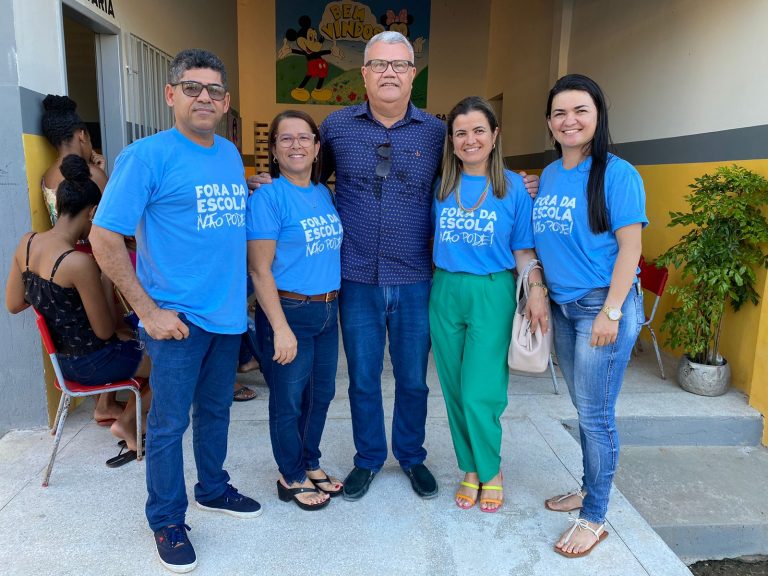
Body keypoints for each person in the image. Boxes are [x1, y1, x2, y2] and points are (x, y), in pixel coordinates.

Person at [249, 31, 539, 502]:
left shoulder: (436, 133)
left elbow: (470, 170)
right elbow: (307, 179)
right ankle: (367, 458)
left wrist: (518, 181)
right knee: (362, 379)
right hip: (356, 276)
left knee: (413, 380)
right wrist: (267, 182)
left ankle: (410, 455)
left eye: (399, 65)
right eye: (380, 64)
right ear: (364, 74)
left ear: (412, 75)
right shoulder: (337, 127)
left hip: (416, 277)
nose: (389, 72)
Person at [89, 49, 261, 574]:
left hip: (227, 317)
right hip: (177, 322)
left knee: (216, 411)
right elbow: (103, 238)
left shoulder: (229, 154)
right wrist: (148, 312)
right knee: (167, 425)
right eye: (192, 88)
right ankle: (166, 519)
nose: (204, 97)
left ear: (226, 102)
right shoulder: (146, 156)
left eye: (214, 90)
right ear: (171, 94)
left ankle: (213, 487)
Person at [533, 74, 646, 558]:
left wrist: (612, 312)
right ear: (549, 123)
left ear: (598, 115)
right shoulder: (550, 174)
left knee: (597, 415)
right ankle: (587, 488)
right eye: (559, 113)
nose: (569, 120)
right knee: (584, 408)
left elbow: (630, 249)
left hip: (602, 306)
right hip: (564, 307)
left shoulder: (619, 174)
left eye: (580, 110)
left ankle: (595, 516)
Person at [430, 96, 549, 512]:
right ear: (451, 140)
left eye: (479, 130)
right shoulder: (440, 186)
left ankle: (491, 469)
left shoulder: (515, 188)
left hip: (492, 291)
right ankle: (470, 467)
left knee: (481, 390)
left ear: (495, 135)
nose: (470, 139)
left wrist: (536, 289)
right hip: (445, 290)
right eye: (461, 132)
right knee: (453, 388)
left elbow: (523, 249)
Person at [5, 155, 150, 460]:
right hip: (91, 364)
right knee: (170, 364)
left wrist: (50, 294)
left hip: (63, 363)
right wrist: (105, 276)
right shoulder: (78, 263)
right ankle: (127, 423)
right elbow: (104, 331)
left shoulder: (27, 243)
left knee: (142, 343)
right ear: (93, 212)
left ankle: (125, 415)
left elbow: (14, 303)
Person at [248, 110, 344, 511]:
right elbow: (259, 269)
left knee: (321, 394)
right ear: (273, 149)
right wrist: (280, 327)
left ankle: (309, 460)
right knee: (288, 399)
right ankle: (290, 474)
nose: (296, 145)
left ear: (317, 147)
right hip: (289, 310)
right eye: (285, 139)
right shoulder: (268, 197)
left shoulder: (323, 194)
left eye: (304, 137)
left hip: (327, 310)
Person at [41, 95, 108, 224]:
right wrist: (100, 173)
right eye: (90, 140)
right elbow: (111, 216)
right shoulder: (94, 174)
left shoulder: (47, 176)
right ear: (82, 135)